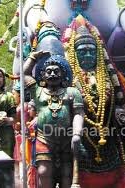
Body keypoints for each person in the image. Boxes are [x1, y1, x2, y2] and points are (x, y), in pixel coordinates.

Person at [62, 15, 125, 188]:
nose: (87, 54)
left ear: (98, 53)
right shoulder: (68, 82)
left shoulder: (109, 78)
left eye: (91, 50)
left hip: (108, 137)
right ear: (74, 54)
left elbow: (119, 102)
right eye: (82, 51)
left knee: (116, 173)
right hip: (81, 139)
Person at [23, 51, 84, 188]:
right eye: (48, 71)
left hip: (67, 139)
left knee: (67, 174)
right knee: (44, 172)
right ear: (43, 75)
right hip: (44, 139)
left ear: (63, 74)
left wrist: (76, 134)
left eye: (56, 71)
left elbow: (79, 114)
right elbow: (24, 75)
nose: (52, 74)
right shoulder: (38, 91)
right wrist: (33, 57)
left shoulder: (72, 92)